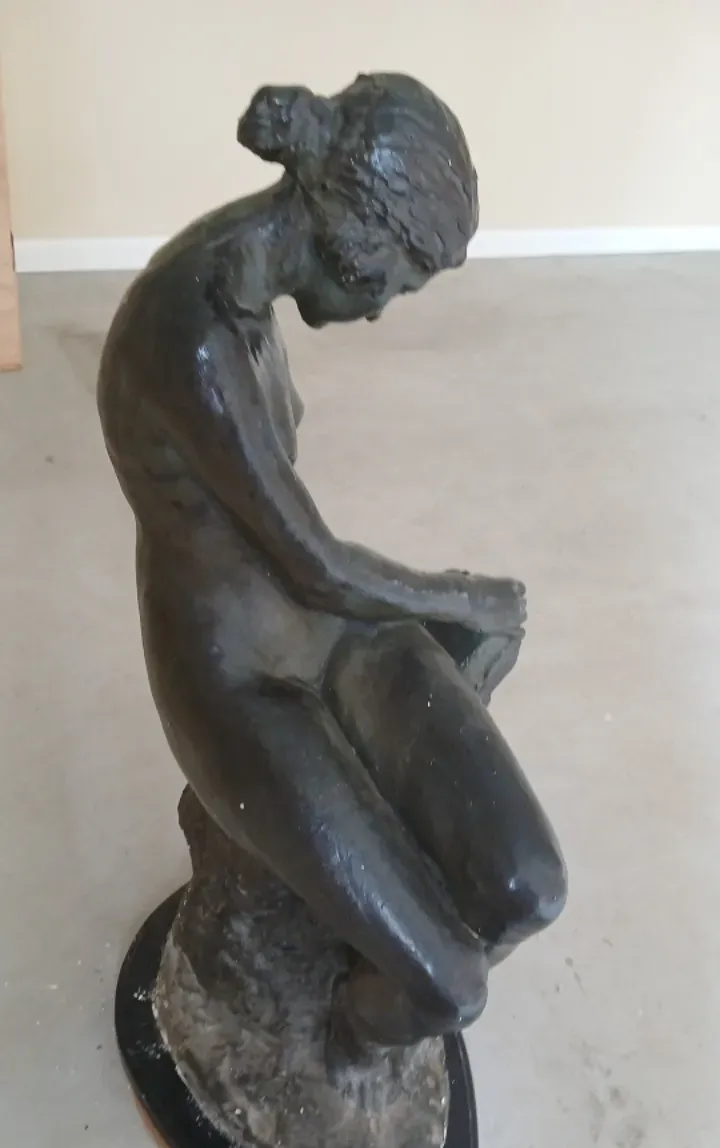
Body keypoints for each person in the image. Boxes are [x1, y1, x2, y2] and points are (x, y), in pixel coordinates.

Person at [98, 73, 566, 1052]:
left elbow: (318, 576)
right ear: (354, 244)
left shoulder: (248, 284)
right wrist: (462, 595)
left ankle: (360, 977)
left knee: (526, 888)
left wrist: (435, 614)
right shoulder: (188, 336)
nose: (384, 308)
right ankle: (333, 1051)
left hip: (338, 629)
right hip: (238, 680)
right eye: (394, 282)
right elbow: (312, 562)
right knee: (449, 987)